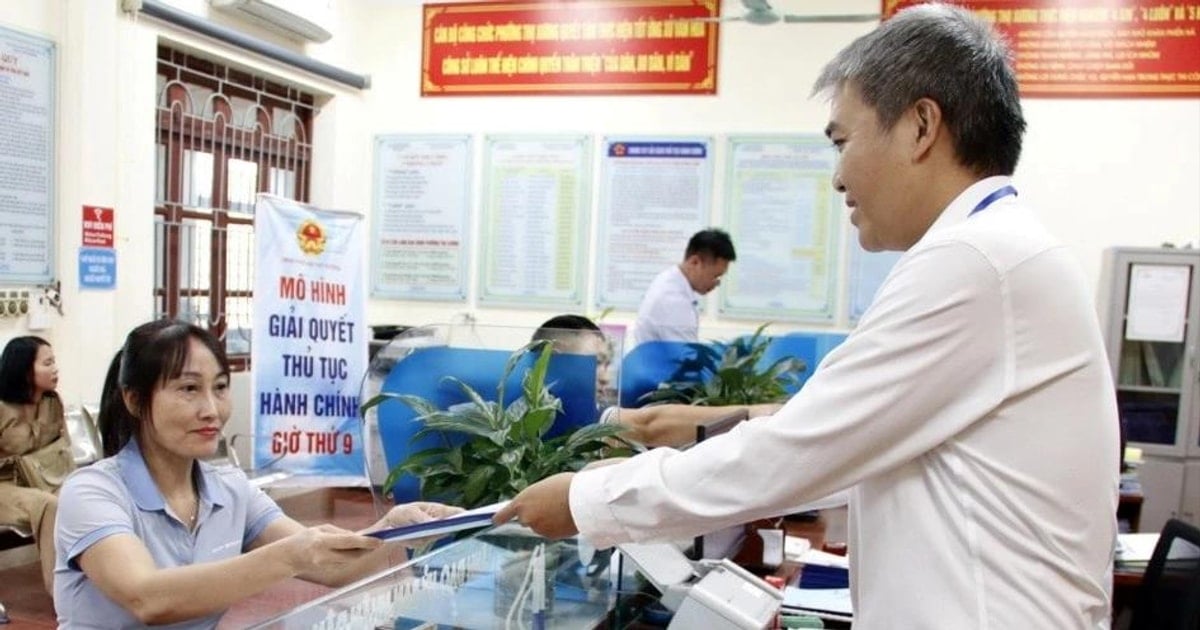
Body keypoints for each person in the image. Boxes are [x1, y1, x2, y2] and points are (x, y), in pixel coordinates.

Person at [498, 5, 1120, 628]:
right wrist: (639, 482)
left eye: (843, 142)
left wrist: (588, 500)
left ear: (921, 126)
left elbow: (795, 451)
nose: (837, 179)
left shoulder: (974, 262)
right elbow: (847, 451)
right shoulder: (999, 252)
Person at [54, 320, 461, 628]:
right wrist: (289, 555)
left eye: (220, 387)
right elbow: (148, 598)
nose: (211, 410)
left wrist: (392, 529)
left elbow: (331, 567)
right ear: (134, 400)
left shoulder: (229, 490)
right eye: (188, 389)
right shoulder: (92, 492)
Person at [534, 315, 780, 448]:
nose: (605, 376)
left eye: (607, 364)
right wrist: (754, 412)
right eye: (596, 363)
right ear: (557, 359)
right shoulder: (557, 415)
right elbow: (650, 425)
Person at [0, 335, 68, 594]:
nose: (55, 369)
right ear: (25, 369)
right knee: (47, 505)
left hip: (43, 478)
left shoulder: (52, 403)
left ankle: (92, 582)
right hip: (4, 486)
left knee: (80, 496)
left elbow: (62, 450)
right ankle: (59, 590)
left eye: (54, 362)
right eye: (47, 363)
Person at [632, 228, 736, 345]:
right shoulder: (674, 301)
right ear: (695, 262)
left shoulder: (668, 279)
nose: (717, 283)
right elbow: (687, 358)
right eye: (715, 276)